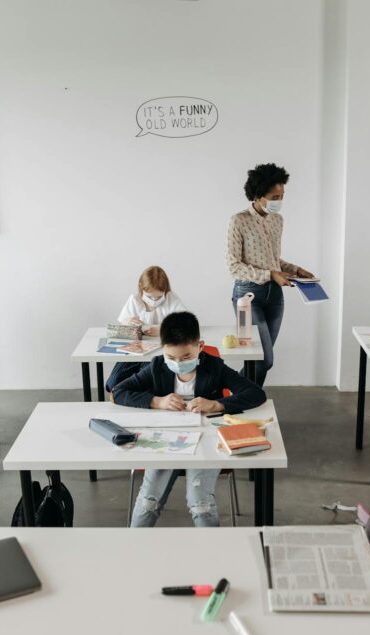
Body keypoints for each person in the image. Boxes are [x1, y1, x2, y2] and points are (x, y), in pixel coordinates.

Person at [113, 312, 266, 527]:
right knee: (148, 502)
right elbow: (118, 391)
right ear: (163, 349)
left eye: (185, 358)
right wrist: (157, 401)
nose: (177, 363)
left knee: (200, 504)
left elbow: (256, 394)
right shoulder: (158, 366)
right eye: (171, 357)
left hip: (206, 439)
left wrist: (217, 404)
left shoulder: (214, 367)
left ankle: (211, 554)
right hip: (166, 438)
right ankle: (133, 550)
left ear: (200, 347)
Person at [226, 163, 315, 387]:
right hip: (246, 298)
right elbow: (234, 265)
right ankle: (236, 393)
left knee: (261, 360)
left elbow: (274, 260)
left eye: (282, 195)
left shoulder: (277, 220)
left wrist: (296, 270)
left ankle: (245, 400)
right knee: (262, 359)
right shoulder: (239, 221)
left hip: (274, 297)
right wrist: (271, 274)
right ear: (257, 195)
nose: (279, 200)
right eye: (274, 196)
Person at [104, 265, 187, 393]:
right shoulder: (134, 300)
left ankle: (138, 399)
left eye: (158, 297)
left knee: (145, 384)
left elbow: (186, 324)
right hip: (133, 352)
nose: (154, 300)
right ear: (141, 288)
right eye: (150, 296)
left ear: (165, 291)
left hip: (158, 355)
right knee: (113, 383)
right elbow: (121, 326)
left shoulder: (171, 299)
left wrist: (162, 330)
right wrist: (128, 323)